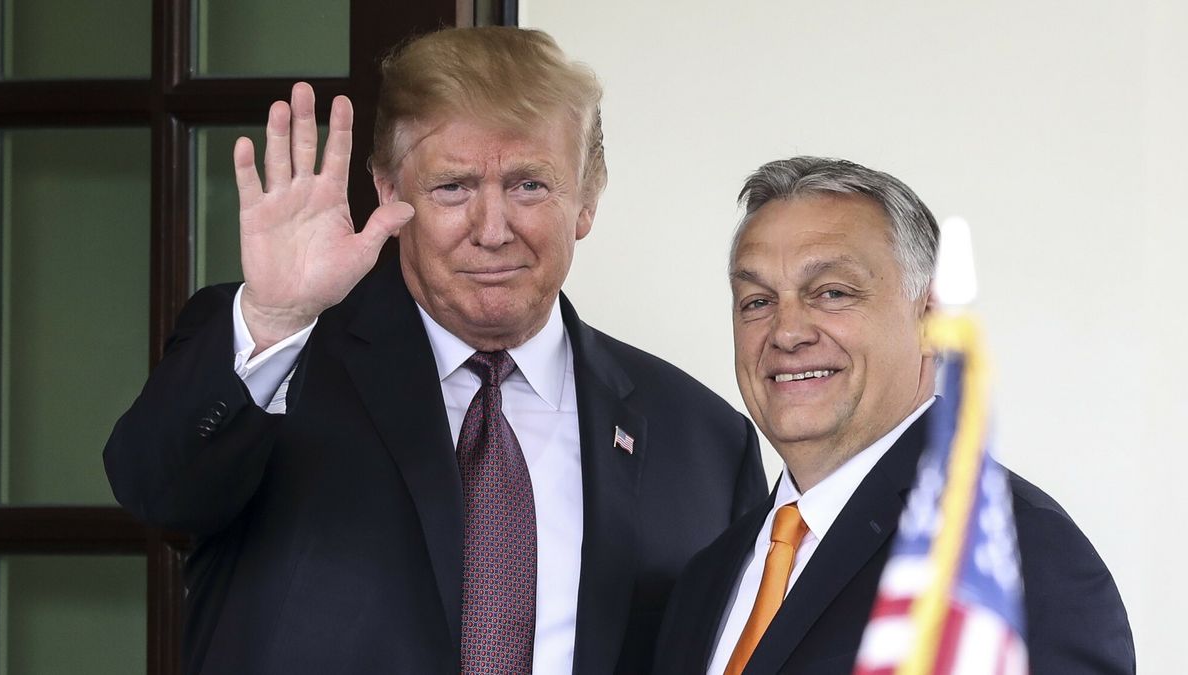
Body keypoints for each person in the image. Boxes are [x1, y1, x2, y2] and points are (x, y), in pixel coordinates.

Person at [104, 27, 766, 675]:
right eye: (454, 187)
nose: (493, 229)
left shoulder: (705, 440)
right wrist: (276, 315)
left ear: (586, 199)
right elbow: (156, 491)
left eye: (530, 184)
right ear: (390, 190)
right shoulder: (279, 360)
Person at [652, 157, 1135, 674]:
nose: (786, 332)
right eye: (756, 301)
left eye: (832, 293)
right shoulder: (706, 579)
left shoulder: (1020, 558)